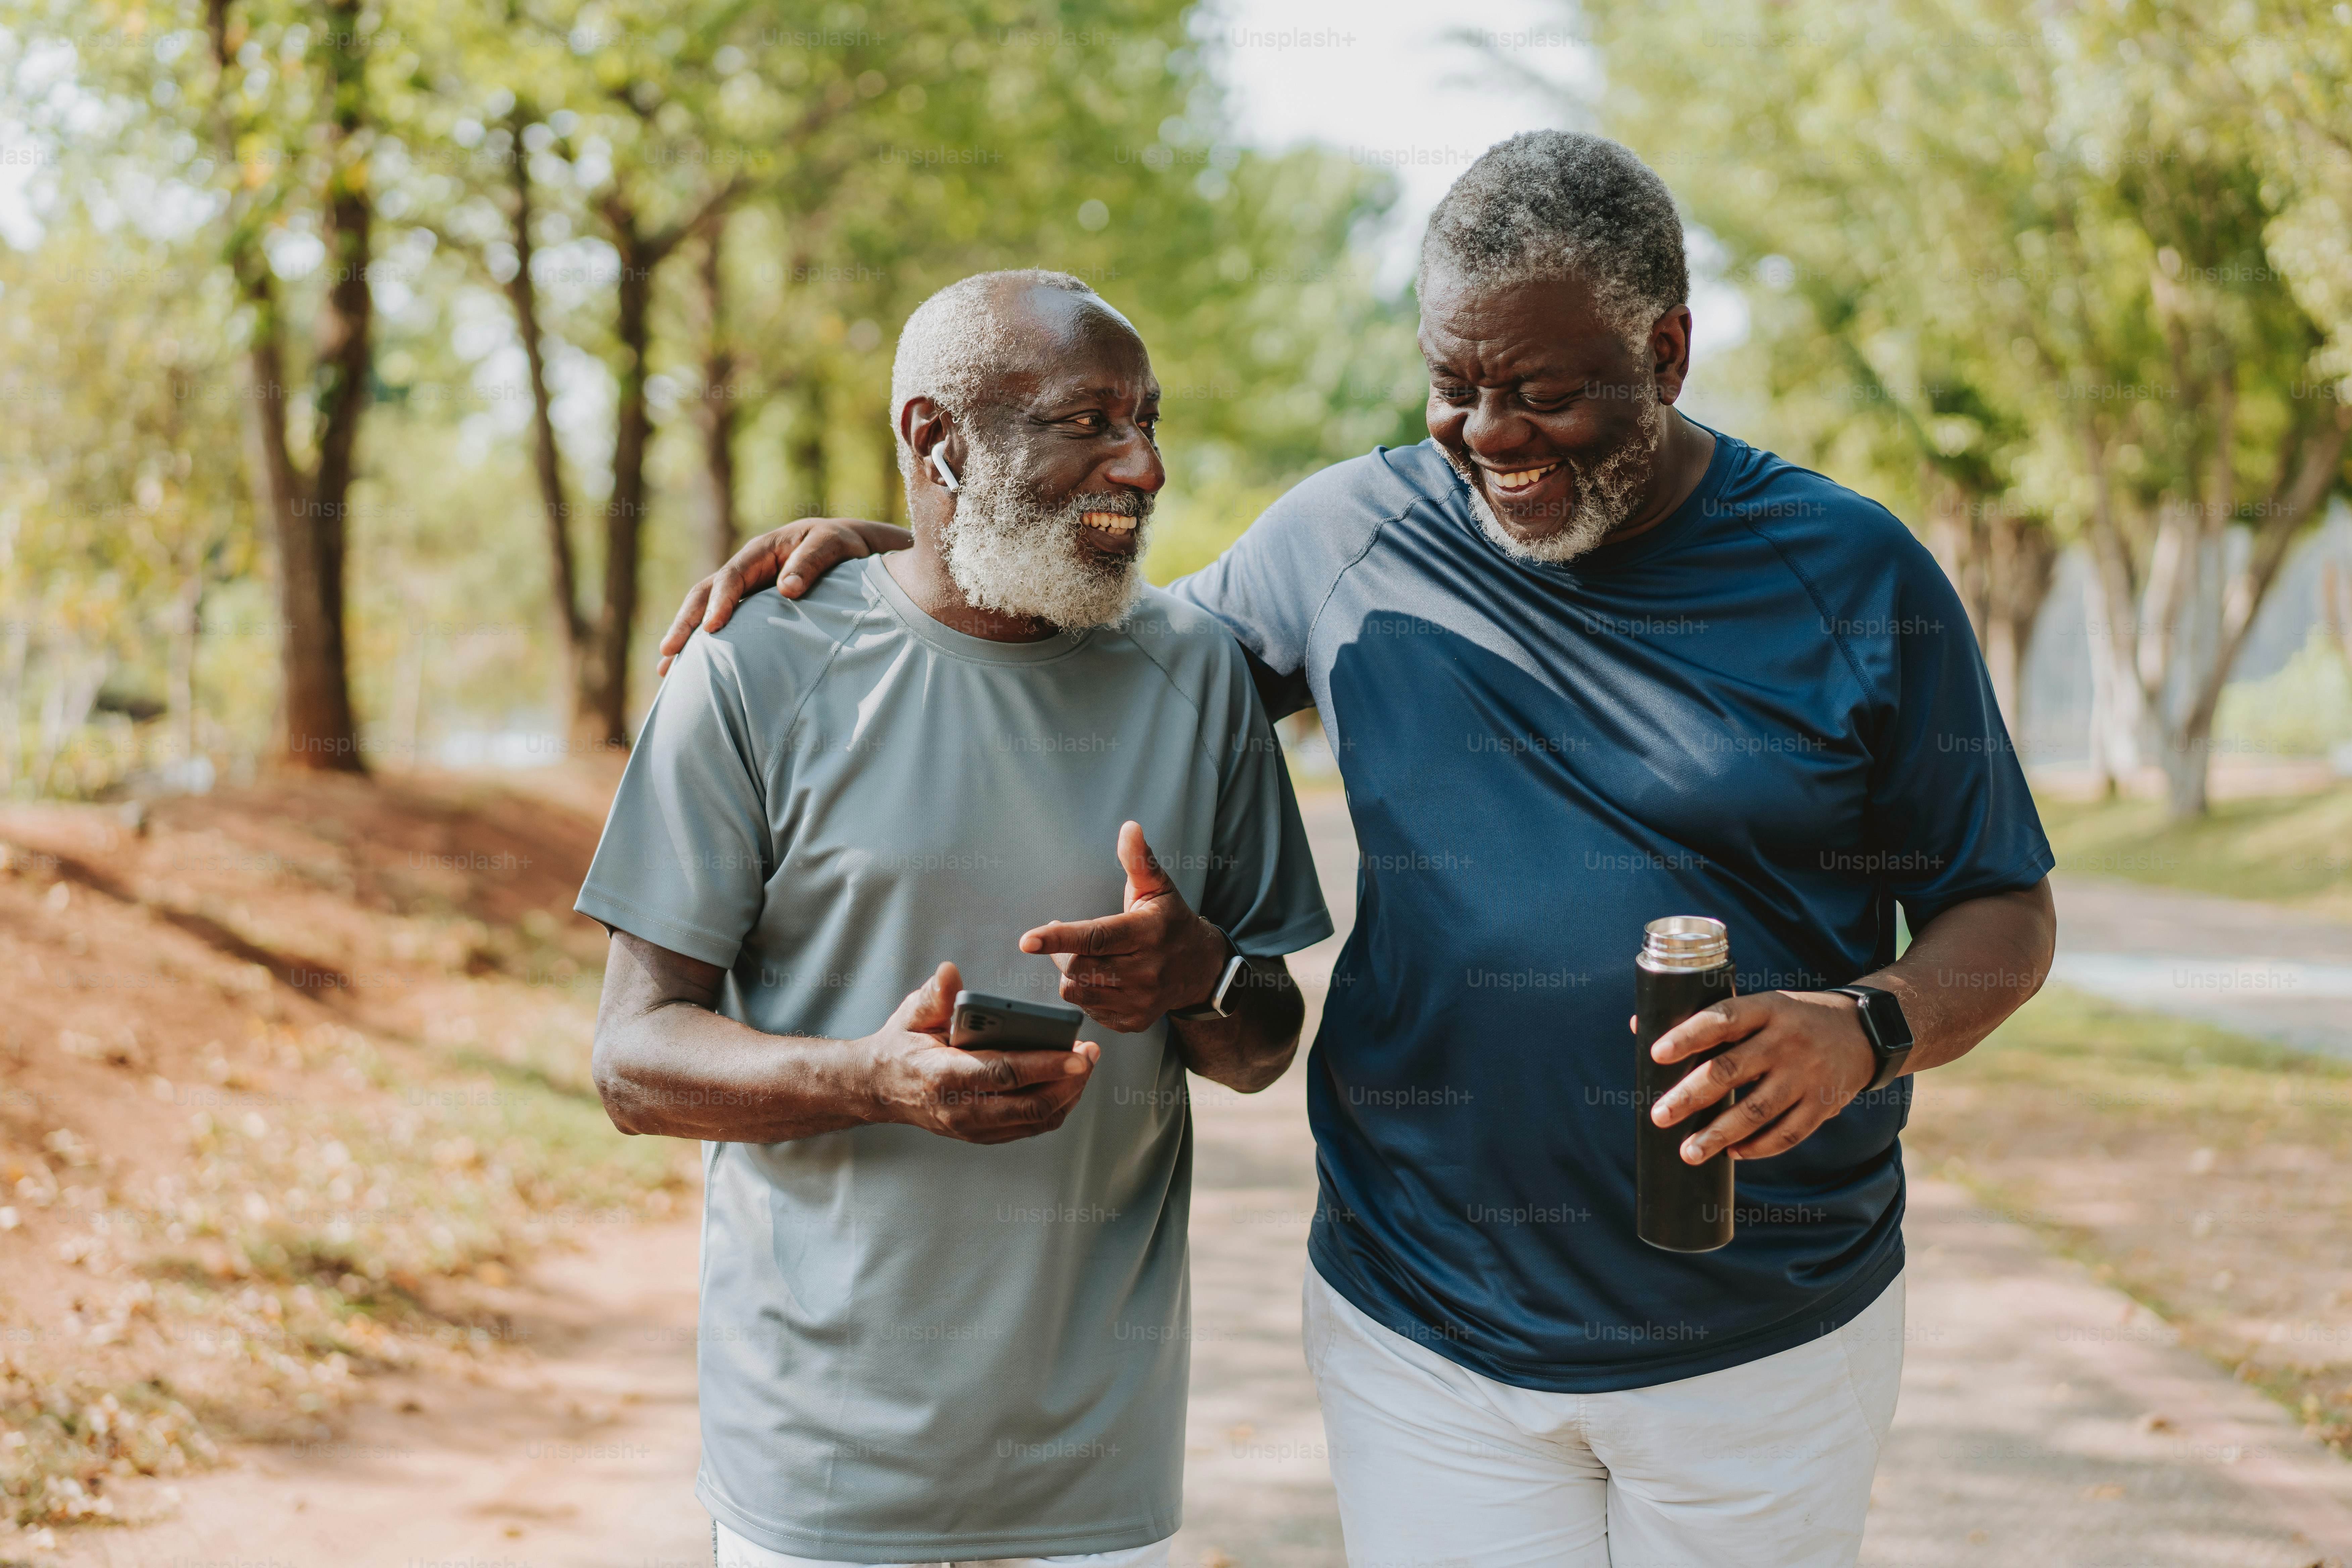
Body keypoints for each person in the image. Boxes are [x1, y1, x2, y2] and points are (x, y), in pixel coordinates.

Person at [660, 134, 2058, 1568]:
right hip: (1428, 1330)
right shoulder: (1353, 532)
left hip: (1766, 1327)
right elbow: (1102, 642)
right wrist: (912, 546)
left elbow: (2004, 909)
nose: (1492, 434)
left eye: (1547, 394)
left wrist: (1868, 1024)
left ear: (1670, 351)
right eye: (1455, 387)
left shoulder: (1853, 572)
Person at [580, 269, 1332, 1568]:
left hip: (1094, 1462)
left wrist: (1200, 975)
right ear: (936, 440)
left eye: (1148, 420)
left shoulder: (1195, 671)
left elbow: (1260, 1045)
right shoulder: (756, 666)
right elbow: (636, 1063)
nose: (1143, 465)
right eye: (1089, 422)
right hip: (815, 1454)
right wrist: (871, 1078)